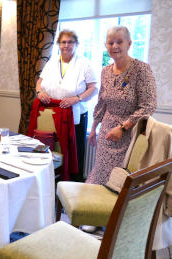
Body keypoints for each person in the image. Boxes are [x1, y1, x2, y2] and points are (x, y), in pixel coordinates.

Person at [86, 26, 157, 185]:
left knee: (120, 183)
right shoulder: (106, 71)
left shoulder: (141, 69)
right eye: (110, 43)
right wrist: (93, 128)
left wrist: (122, 128)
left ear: (129, 44)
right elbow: (102, 102)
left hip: (129, 135)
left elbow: (149, 105)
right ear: (106, 45)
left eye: (119, 41)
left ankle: (116, 210)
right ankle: (96, 208)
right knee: (100, 176)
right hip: (106, 134)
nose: (115, 46)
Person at [35, 30, 98, 182]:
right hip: (51, 115)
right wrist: (39, 92)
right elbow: (39, 82)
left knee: (72, 153)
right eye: (63, 42)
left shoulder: (85, 64)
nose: (66, 45)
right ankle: (52, 182)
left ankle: (72, 185)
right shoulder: (51, 63)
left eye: (70, 42)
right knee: (52, 149)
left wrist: (77, 98)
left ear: (76, 45)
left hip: (74, 116)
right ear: (58, 44)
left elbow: (93, 88)